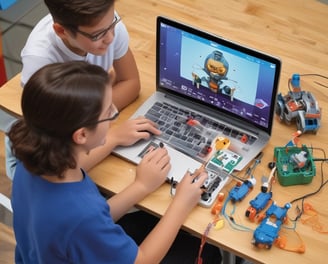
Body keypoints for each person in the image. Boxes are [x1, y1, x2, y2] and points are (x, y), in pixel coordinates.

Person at [8, 61, 221, 263]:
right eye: (109, 111)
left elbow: (95, 219)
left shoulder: (32, 163)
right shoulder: (81, 216)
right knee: (204, 249)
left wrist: (141, 186)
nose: (115, 115)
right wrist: (181, 204)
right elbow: (142, 260)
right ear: (81, 135)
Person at [5, 0, 159, 179]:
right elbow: (62, 166)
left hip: (76, 139)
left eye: (113, 23)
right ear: (62, 31)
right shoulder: (40, 61)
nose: (110, 37)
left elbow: (131, 83)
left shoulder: (105, 25)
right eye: (97, 35)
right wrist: (113, 137)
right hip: (38, 158)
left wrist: (96, 112)